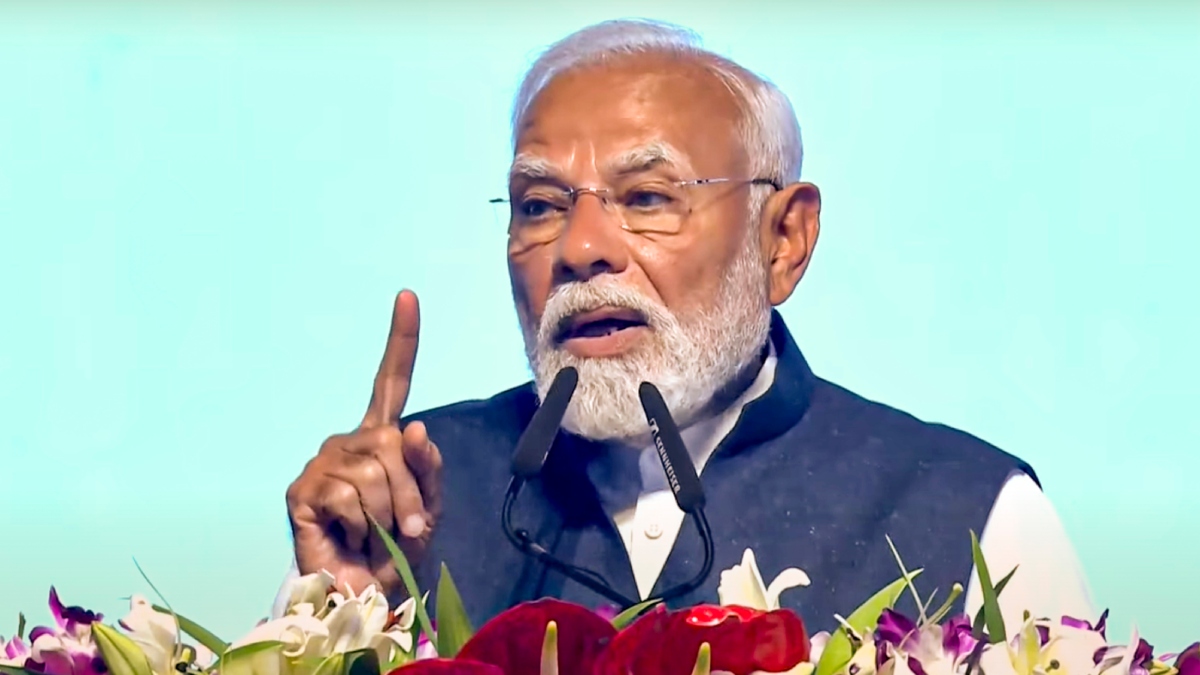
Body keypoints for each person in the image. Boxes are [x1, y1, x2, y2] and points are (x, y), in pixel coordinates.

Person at [280, 19, 1095, 635]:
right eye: (539, 205)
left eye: (647, 198)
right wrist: (341, 625)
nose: (581, 249)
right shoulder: (409, 499)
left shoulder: (972, 511)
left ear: (784, 239)